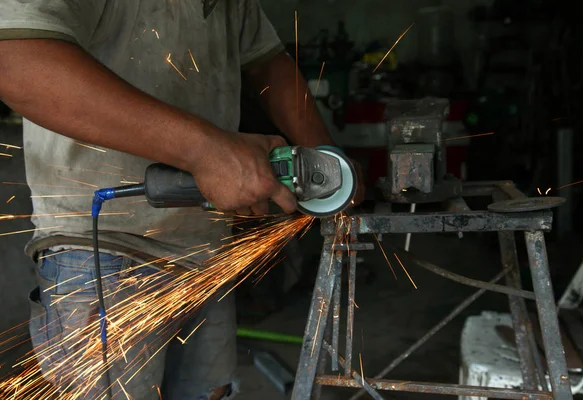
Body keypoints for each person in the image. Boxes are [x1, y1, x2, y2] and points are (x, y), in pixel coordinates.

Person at [0, 1, 363, 399]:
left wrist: (328, 162)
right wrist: (205, 151)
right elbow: (14, 60)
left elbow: (268, 63)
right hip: (104, 249)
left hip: (205, 251)